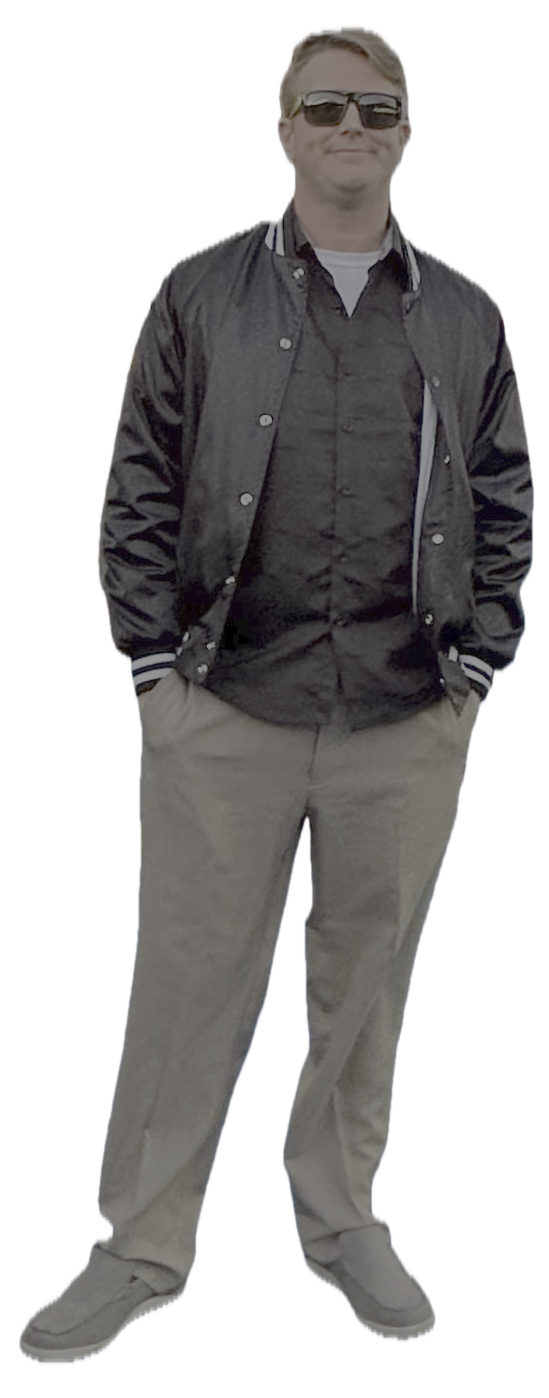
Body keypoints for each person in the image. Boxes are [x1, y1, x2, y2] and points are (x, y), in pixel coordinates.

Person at [18, 22, 535, 1364]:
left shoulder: (468, 311)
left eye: (379, 107)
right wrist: (152, 668)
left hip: (405, 714)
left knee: (365, 988)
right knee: (188, 984)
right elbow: (138, 480)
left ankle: (342, 1216)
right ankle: (140, 1245)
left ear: (408, 132)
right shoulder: (197, 289)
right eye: (326, 106)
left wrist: (478, 668)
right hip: (225, 705)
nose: (352, 126)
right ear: (285, 128)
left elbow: (505, 497)